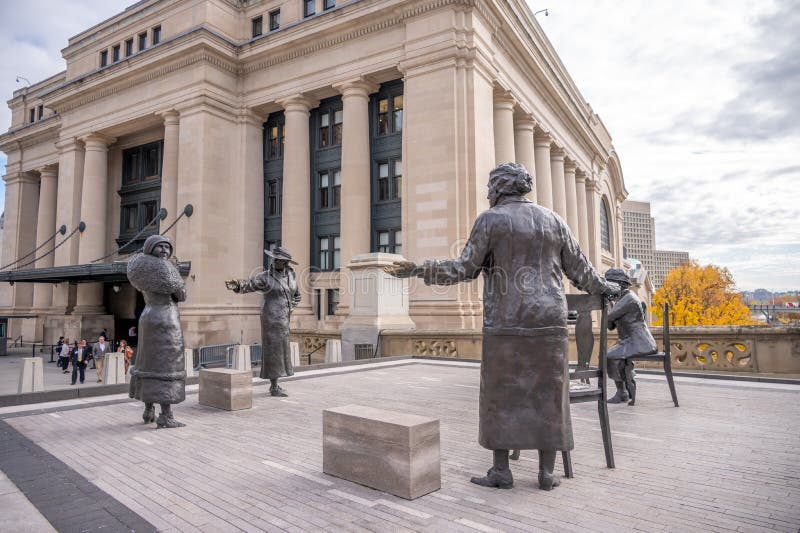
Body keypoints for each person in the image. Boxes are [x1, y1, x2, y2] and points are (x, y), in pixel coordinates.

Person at [386, 162, 619, 491]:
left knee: (499, 393)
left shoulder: (491, 220)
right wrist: (608, 288)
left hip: (506, 322)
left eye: (490, 188)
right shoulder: (554, 221)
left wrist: (419, 270)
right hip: (549, 323)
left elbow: (464, 269)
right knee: (549, 394)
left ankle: (501, 471)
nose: (487, 194)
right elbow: (582, 271)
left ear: (498, 189)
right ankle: (546, 473)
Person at [127, 234, 187, 429]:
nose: (165, 251)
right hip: (166, 319)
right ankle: (166, 415)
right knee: (167, 365)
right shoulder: (165, 268)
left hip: (148, 316)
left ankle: (148, 409)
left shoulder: (140, 268)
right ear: (151, 248)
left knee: (147, 362)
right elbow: (181, 294)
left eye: (167, 248)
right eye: (161, 247)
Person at [225, 246, 300, 397]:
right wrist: (238, 285)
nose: (274, 261)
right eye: (274, 259)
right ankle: (274, 386)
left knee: (282, 351)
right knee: (273, 351)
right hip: (270, 318)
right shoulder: (266, 276)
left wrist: (290, 308)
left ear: (285, 262)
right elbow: (250, 284)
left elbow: (297, 295)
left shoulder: (292, 275)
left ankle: (276, 384)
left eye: (278, 260)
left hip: (284, 318)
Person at [604, 268, 658, 406]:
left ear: (619, 285)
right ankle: (626, 387)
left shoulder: (629, 298)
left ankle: (622, 392)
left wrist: (607, 304)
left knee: (610, 356)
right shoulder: (622, 299)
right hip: (630, 341)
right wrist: (610, 305)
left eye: (610, 285)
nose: (608, 289)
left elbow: (608, 318)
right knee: (613, 355)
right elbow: (610, 326)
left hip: (640, 342)